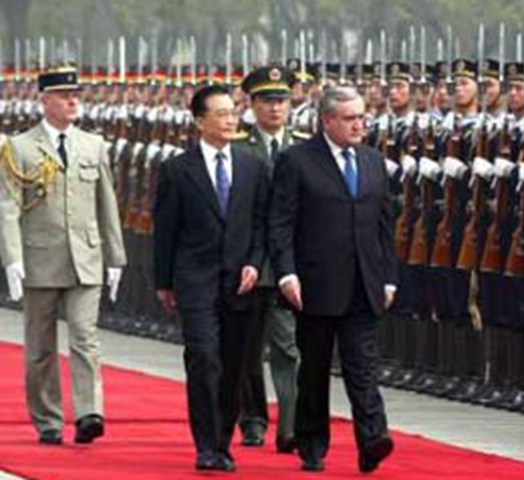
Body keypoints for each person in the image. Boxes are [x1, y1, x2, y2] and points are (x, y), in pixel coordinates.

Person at [269, 86, 398, 473]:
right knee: (315, 368)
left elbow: (384, 225)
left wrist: (388, 277)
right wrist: (286, 273)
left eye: (362, 116)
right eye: (349, 118)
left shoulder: (373, 162)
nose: (359, 124)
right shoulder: (297, 161)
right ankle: (311, 442)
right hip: (316, 283)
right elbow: (281, 222)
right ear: (327, 121)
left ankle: (372, 438)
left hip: (364, 283)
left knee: (364, 366)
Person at [0, 65, 126, 445]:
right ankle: (48, 419)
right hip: (39, 258)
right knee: (40, 346)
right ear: (44, 100)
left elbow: (107, 203)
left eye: (76, 94)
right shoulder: (19, 148)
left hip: (85, 256)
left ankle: (89, 412)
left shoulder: (93, 145)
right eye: (63, 95)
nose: (73, 101)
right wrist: (12, 258)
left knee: (85, 337)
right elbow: (8, 205)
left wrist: (115, 256)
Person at [153, 84, 269, 472]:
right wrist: (164, 280)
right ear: (200, 121)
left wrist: (256, 262)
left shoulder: (253, 165)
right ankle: (205, 444)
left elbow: (261, 222)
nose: (230, 119)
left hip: (241, 280)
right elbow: (166, 228)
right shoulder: (178, 168)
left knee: (235, 364)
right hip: (195, 278)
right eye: (220, 113)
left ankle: (223, 442)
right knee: (203, 358)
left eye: (233, 111)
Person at [234, 65, 300, 453]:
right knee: (246, 348)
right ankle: (253, 419)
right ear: (251, 104)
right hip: (248, 263)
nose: (275, 109)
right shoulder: (239, 147)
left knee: (288, 348)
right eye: (266, 101)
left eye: (281, 100)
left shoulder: (306, 146)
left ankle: (290, 425)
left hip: (289, 264)